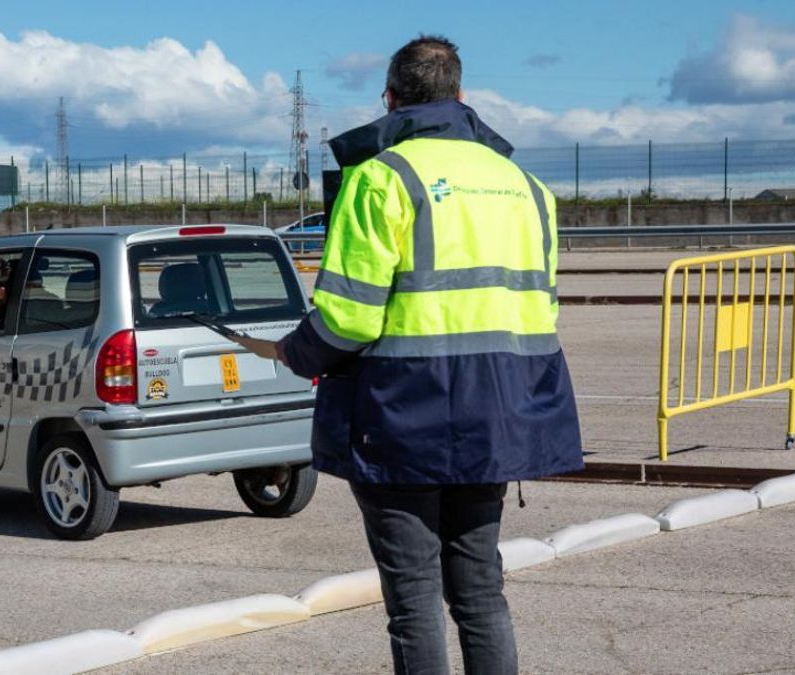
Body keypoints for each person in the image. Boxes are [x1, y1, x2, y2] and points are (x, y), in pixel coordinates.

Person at [231, 35, 582, 674]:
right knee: (479, 589)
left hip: (401, 419)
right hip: (499, 415)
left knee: (414, 596)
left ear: (390, 100)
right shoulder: (527, 188)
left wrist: (294, 352)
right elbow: (541, 310)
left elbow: (349, 317)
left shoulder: (381, 179)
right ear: (461, 97)